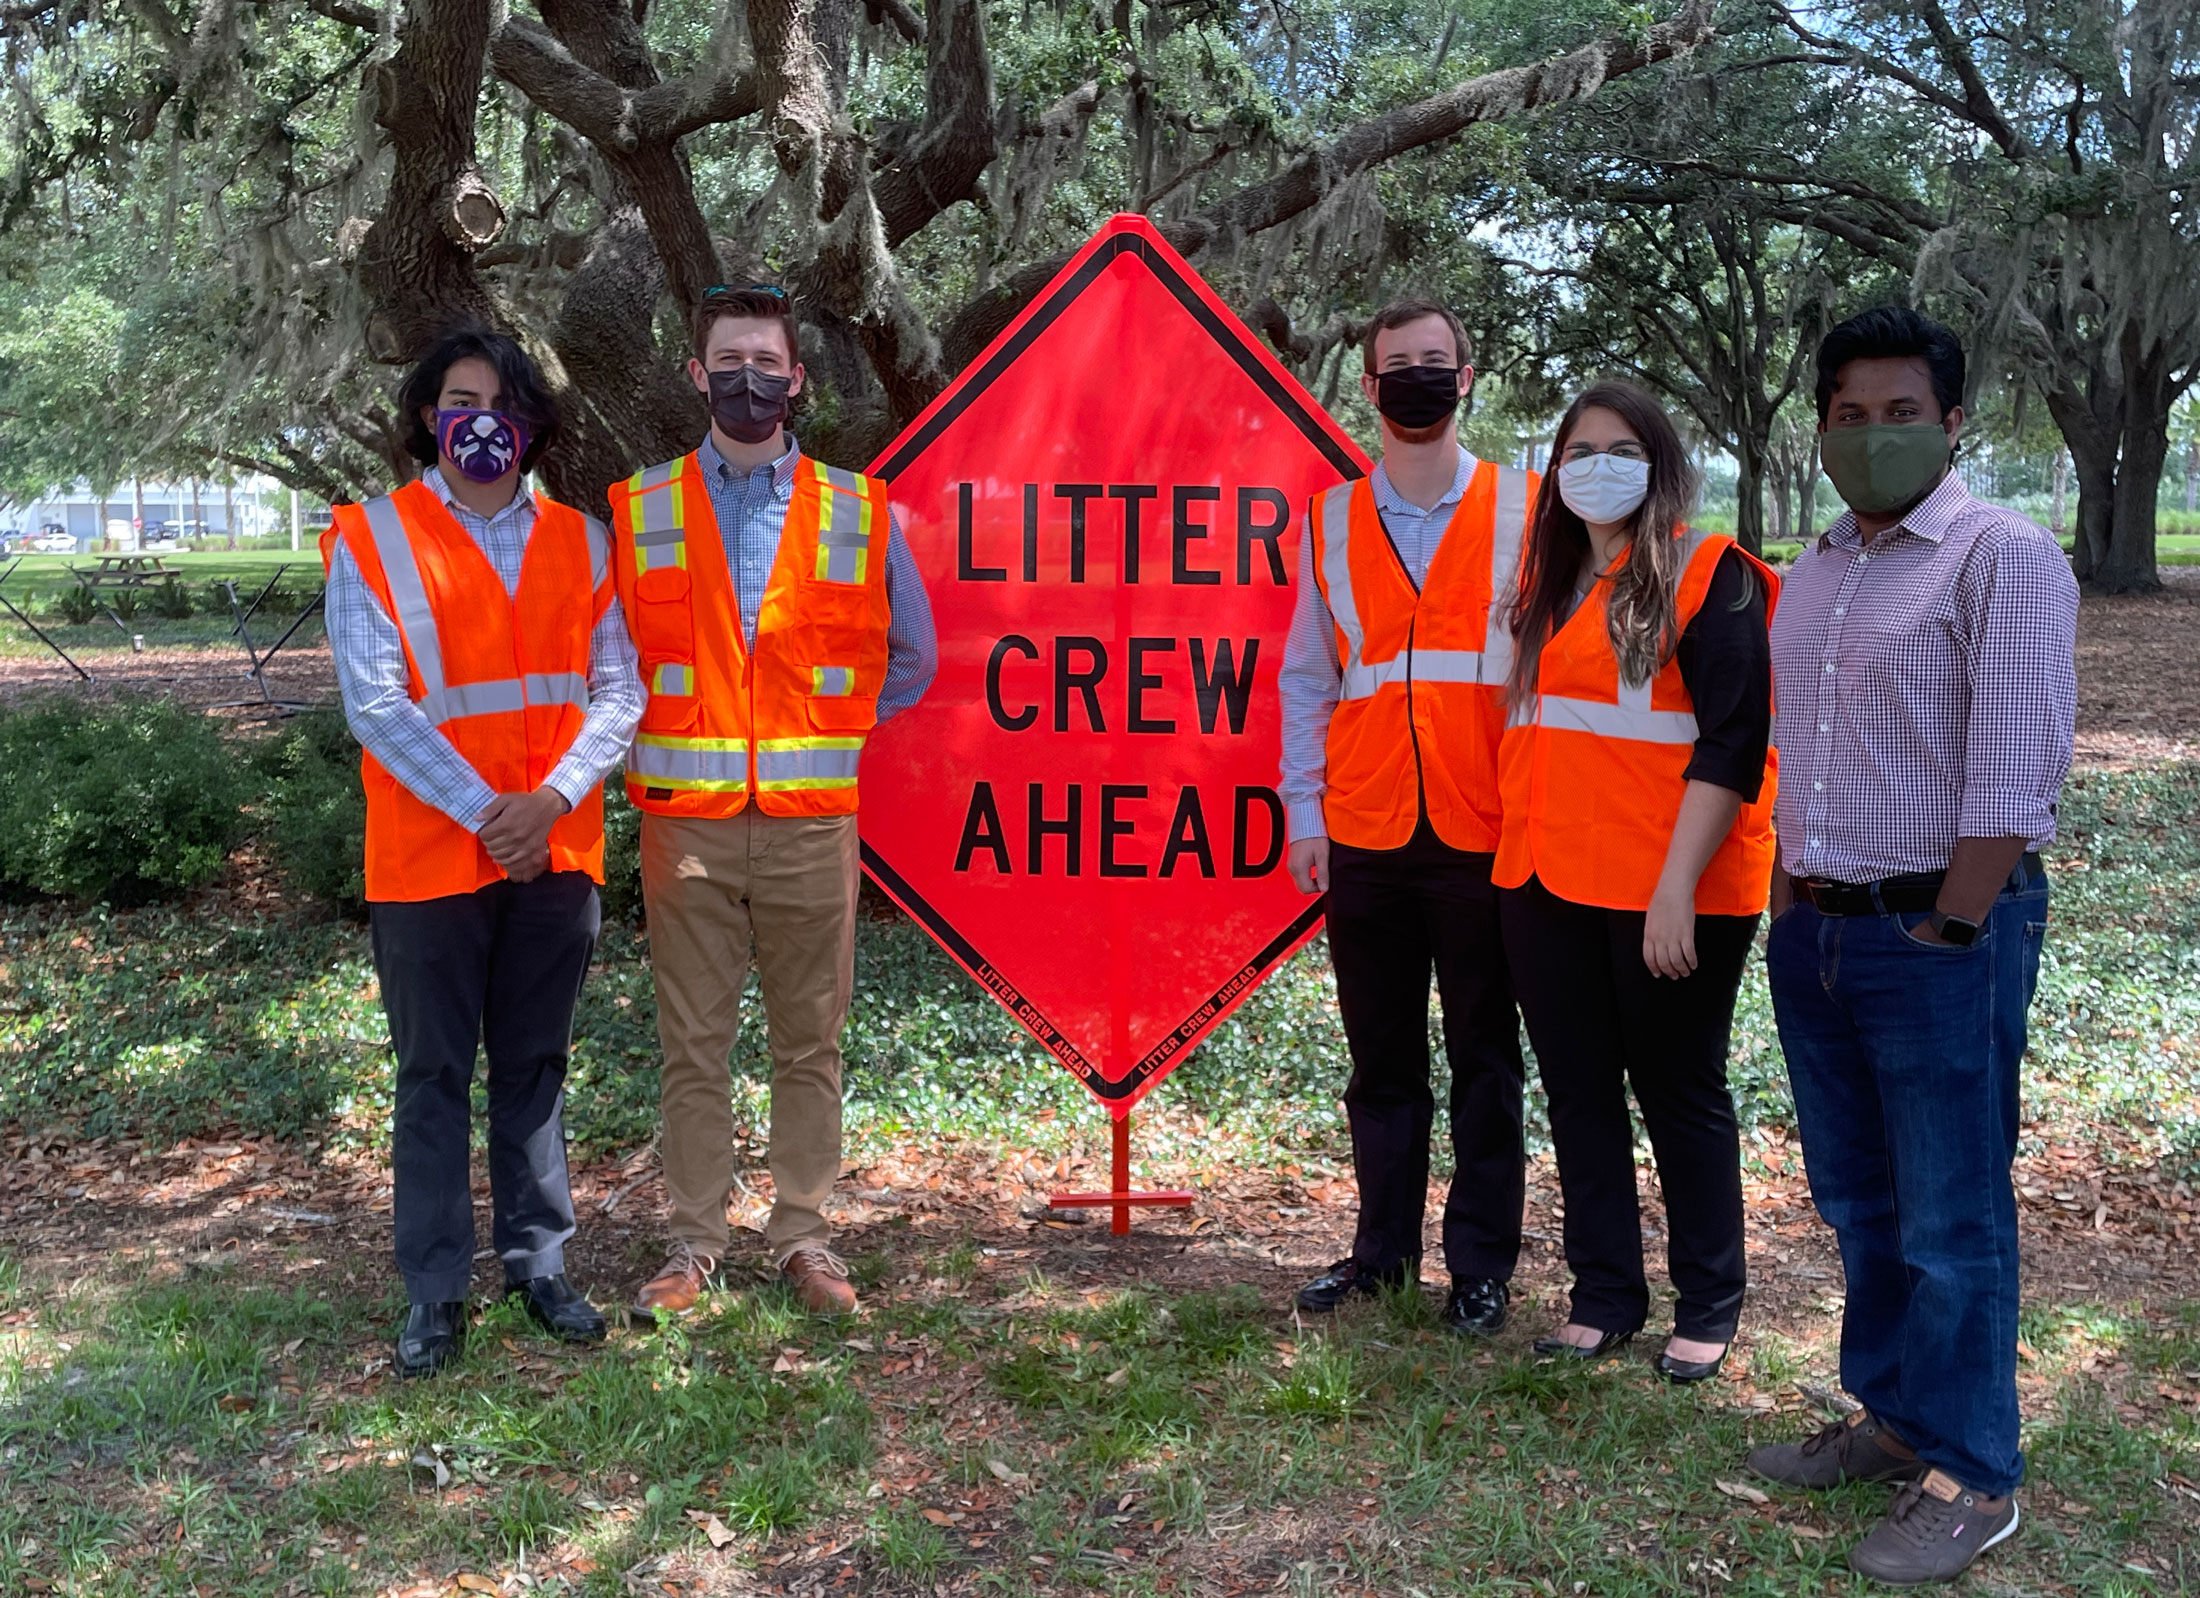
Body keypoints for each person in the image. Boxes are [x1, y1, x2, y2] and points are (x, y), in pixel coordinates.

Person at [1743, 307, 2077, 1584]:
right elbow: (1803, 753)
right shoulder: (1820, 564)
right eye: (1848, 412)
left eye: (1900, 413)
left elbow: (2014, 769)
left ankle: (1976, 1469)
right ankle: (1894, 1417)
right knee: (1860, 1198)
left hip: (1940, 929)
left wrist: (1952, 921)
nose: (1871, 434)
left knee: (1950, 1212)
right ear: (1820, 423)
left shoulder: (2003, 555)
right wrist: (1788, 899)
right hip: (1820, 931)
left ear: (1951, 422)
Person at [323, 328, 645, 1377]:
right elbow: (376, 704)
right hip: (428, 861)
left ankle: (540, 1264)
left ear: (533, 425)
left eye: (505, 403)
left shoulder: (587, 542)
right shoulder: (372, 537)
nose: (482, 419)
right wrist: (489, 813)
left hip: (554, 853)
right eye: (463, 398)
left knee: (536, 1068)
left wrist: (546, 803)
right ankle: (433, 1289)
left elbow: (619, 691)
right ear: (426, 412)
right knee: (432, 1076)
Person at [615, 285, 937, 1322]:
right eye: (728, 360)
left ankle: (803, 1234)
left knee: (811, 1042)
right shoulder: (640, 507)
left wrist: (826, 730)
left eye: (767, 361)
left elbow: (913, 656)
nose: (748, 378)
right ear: (697, 375)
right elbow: (610, 663)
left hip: (810, 823)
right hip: (686, 829)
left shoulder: (860, 507)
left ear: (796, 380)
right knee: (691, 1045)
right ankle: (695, 1242)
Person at [1493, 381, 1776, 1383]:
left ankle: (1709, 1298)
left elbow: (1734, 743)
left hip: (1670, 889)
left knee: (1676, 1088)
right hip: (1542, 879)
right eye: (1578, 451)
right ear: (1554, 469)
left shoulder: (1712, 574)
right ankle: (1604, 1292)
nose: (1595, 467)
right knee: (1577, 1092)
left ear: (1658, 465)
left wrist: (1674, 890)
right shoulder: (1543, 583)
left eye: (1619, 449)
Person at [1276, 298, 1535, 1334]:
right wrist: (1306, 813)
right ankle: (1381, 1256)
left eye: (1436, 361)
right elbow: (1307, 677)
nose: (1417, 378)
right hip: (1369, 829)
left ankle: (1480, 1264)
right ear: (1370, 387)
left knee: (1485, 1056)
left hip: (1485, 827)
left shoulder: (1529, 509)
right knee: (1379, 1061)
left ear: (1466, 377)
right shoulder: (1331, 518)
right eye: (1397, 366)